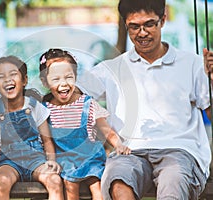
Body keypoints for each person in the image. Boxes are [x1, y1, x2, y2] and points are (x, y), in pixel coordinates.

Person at [76, 0, 213, 199]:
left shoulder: (193, 63)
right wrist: (101, 124)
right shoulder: (112, 68)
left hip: (179, 151)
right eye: (134, 26)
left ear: (163, 20)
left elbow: (210, 113)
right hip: (128, 152)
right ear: (126, 25)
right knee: (118, 182)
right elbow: (73, 94)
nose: (142, 33)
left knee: (174, 182)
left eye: (149, 24)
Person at [39, 48, 131, 200]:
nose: (63, 84)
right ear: (45, 81)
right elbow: (47, 141)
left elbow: (106, 130)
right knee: (70, 185)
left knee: (97, 188)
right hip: (66, 160)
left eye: (68, 77)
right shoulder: (45, 109)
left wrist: (118, 145)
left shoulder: (88, 104)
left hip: (91, 158)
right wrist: (51, 162)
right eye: (56, 79)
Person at [0, 55, 64, 200]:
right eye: (1, 76)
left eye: (13, 74)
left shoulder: (34, 106)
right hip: (8, 161)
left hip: (35, 160)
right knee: (2, 181)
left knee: (55, 180)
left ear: (24, 80)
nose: (7, 79)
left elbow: (47, 141)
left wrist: (51, 161)